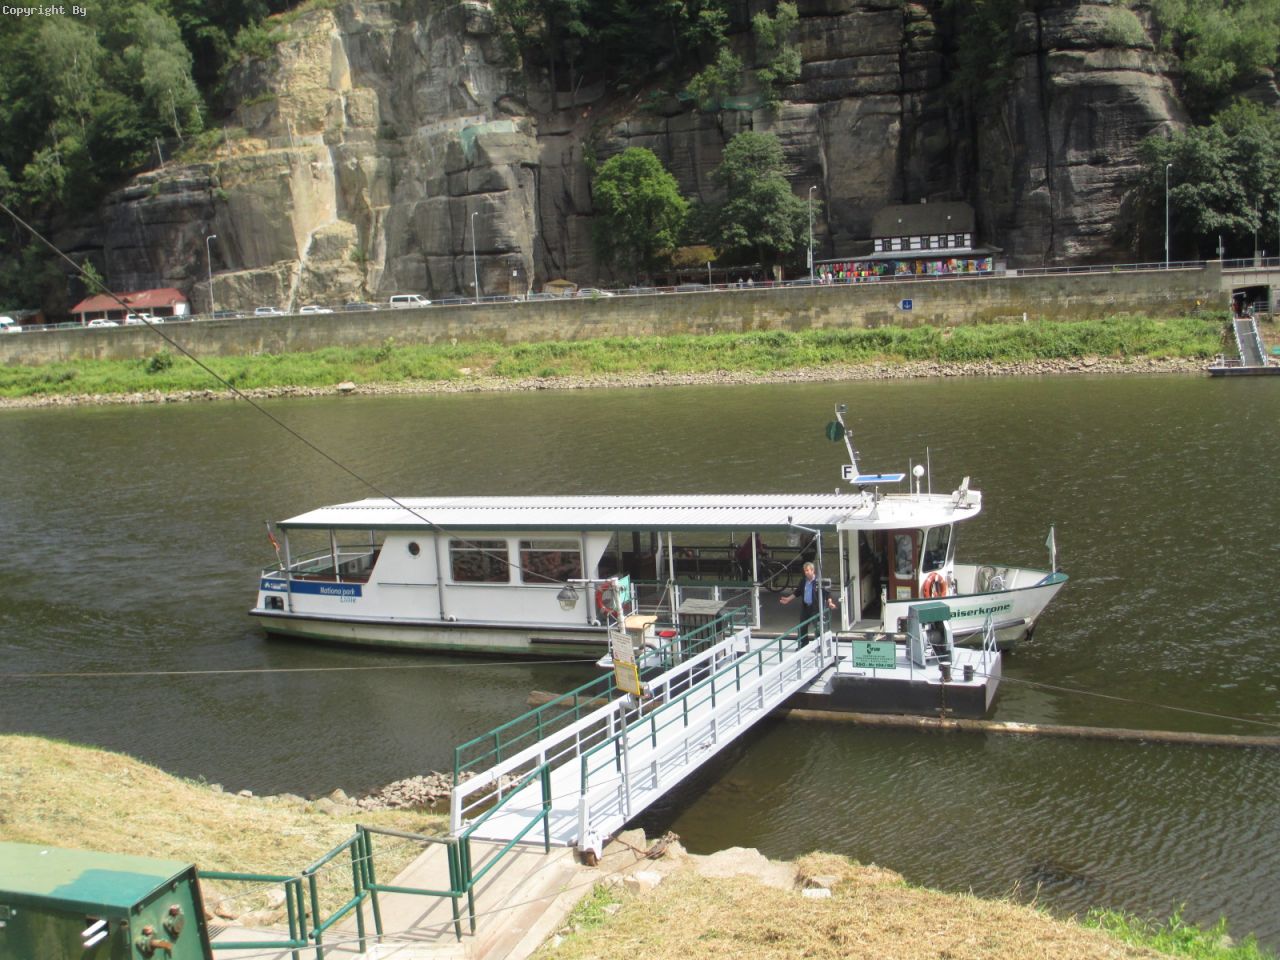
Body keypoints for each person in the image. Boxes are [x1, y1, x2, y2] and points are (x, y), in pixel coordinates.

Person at [779, 561, 836, 647]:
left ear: (812, 570)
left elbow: (827, 594)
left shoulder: (818, 581)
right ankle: (804, 644)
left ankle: (819, 645)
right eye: (805, 571)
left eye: (807, 570)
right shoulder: (803, 581)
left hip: (816, 608)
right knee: (802, 626)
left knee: (818, 627)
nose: (806, 572)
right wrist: (788, 599)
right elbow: (797, 592)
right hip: (805, 607)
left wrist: (830, 603)